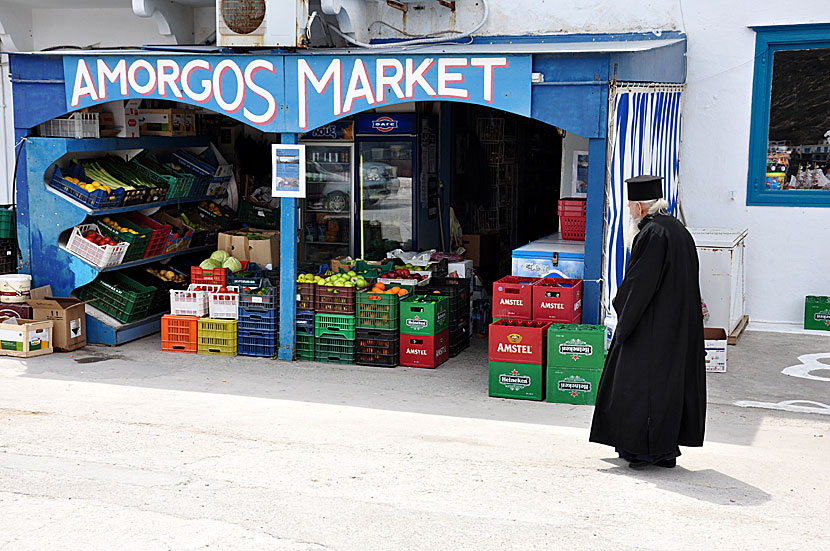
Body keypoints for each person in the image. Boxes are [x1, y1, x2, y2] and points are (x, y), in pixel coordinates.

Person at [589, 175, 706, 469]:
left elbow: (640, 285)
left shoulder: (652, 234)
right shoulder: (678, 230)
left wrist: (623, 316)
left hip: (652, 329)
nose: (629, 211)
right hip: (677, 328)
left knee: (639, 388)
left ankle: (642, 452)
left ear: (640, 207)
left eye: (631, 206)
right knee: (668, 389)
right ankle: (666, 451)